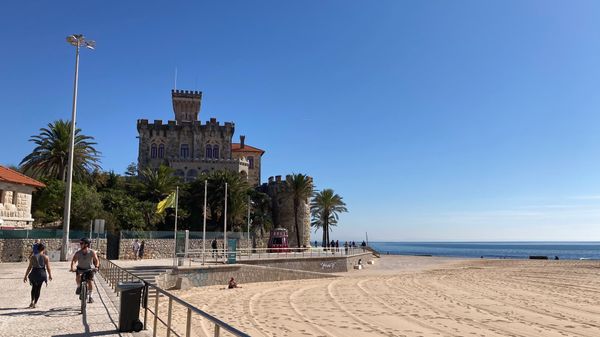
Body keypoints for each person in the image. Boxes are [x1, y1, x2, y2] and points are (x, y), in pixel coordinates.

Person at [70, 238, 100, 304]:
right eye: (80, 243)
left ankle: (90, 296)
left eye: (81, 243)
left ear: (86, 244)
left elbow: (96, 260)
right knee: (78, 278)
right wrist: (72, 267)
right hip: (80, 268)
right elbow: (74, 261)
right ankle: (78, 287)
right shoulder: (78, 253)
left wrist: (96, 267)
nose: (80, 245)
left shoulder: (91, 252)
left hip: (89, 269)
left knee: (90, 281)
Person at [23, 243, 52, 308]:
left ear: (37, 249)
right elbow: (48, 267)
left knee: (33, 287)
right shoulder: (46, 257)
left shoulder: (33, 257)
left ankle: (31, 301)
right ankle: (35, 303)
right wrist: (50, 275)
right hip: (41, 273)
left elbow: (29, 267)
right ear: (43, 249)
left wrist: (25, 276)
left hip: (34, 273)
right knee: (38, 288)